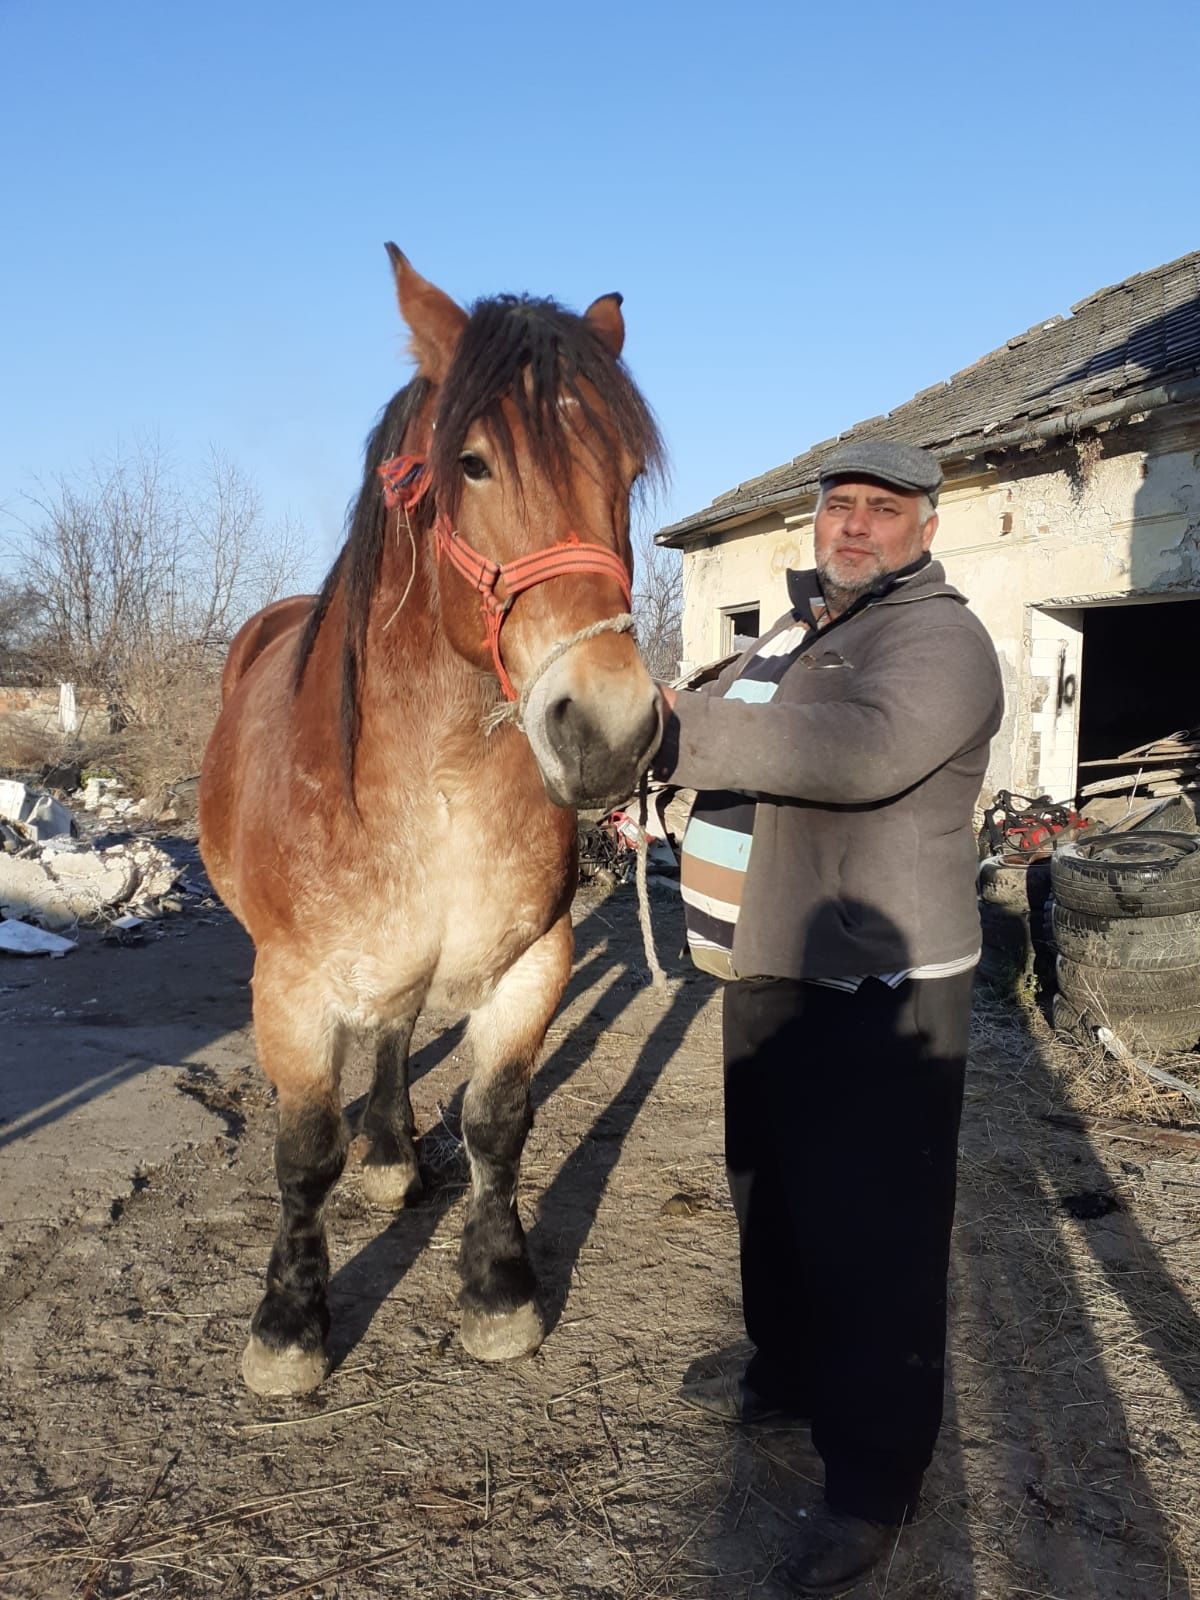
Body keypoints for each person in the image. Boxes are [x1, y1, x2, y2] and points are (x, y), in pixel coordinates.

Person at [652, 438, 1004, 1594]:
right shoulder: (805, 629)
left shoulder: (938, 638)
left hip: (880, 988)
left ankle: (872, 1483)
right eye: (838, 506)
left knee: (876, 1242)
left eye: (881, 509)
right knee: (774, 1196)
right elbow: (724, 711)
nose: (853, 525)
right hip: (770, 962)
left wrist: (669, 732)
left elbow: (852, 752)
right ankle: (788, 1370)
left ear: (927, 526)